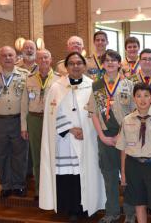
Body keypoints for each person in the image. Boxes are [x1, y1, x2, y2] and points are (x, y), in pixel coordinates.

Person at [39, 52, 105, 221]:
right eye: (72, 63)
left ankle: (87, 206)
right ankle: (71, 209)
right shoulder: (56, 87)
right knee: (69, 176)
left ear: (84, 66)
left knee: (85, 172)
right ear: (66, 67)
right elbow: (51, 114)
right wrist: (69, 129)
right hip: (65, 140)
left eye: (79, 63)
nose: (76, 66)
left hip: (87, 139)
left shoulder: (92, 85)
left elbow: (99, 112)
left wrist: (87, 129)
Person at [88, 49, 136, 223]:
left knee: (128, 176)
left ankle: (130, 213)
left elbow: (134, 112)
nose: (110, 63)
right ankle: (112, 212)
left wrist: (122, 136)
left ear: (119, 63)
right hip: (106, 136)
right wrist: (101, 136)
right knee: (109, 176)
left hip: (126, 136)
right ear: (102, 64)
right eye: (106, 60)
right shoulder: (96, 85)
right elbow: (93, 113)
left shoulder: (128, 85)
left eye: (113, 60)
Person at [116, 82, 151, 223]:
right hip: (133, 166)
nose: (143, 99)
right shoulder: (127, 120)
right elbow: (123, 148)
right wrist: (123, 172)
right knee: (139, 204)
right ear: (134, 98)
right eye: (139, 96)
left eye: (146, 96)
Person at [20, 49, 60, 200]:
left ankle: (54, 188)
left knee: (53, 154)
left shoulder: (59, 79)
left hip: (52, 120)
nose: (43, 60)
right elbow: (24, 104)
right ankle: (39, 189)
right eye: (40, 58)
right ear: (36, 60)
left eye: (46, 58)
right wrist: (24, 126)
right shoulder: (29, 79)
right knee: (37, 155)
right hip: (34, 119)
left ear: (51, 59)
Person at [0, 46, 29, 198]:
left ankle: (18, 184)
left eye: (10, 55)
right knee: (1, 154)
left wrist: (25, 125)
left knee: (19, 154)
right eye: (4, 55)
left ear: (16, 58)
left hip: (18, 120)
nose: (8, 58)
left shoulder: (25, 75)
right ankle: (5, 185)